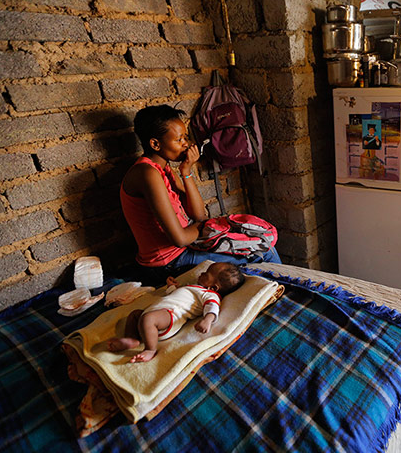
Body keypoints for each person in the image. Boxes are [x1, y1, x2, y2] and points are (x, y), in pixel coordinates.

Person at [120, 105, 280, 284]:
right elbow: (179, 238)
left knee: (259, 241)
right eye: (179, 139)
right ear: (155, 144)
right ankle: (286, 298)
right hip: (168, 263)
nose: (186, 144)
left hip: (187, 248)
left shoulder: (163, 169)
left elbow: (199, 214)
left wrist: (186, 171)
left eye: (186, 137)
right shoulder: (147, 174)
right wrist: (204, 225)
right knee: (263, 253)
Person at [107, 262, 245, 363]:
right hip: (158, 311)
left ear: (214, 287)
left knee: (147, 319)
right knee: (135, 314)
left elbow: (212, 307)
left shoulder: (210, 295)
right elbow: (175, 296)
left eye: (206, 274)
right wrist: (172, 287)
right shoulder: (194, 287)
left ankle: (150, 350)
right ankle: (132, 339)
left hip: (171, 316)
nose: (201, 273)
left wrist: (207, 320)